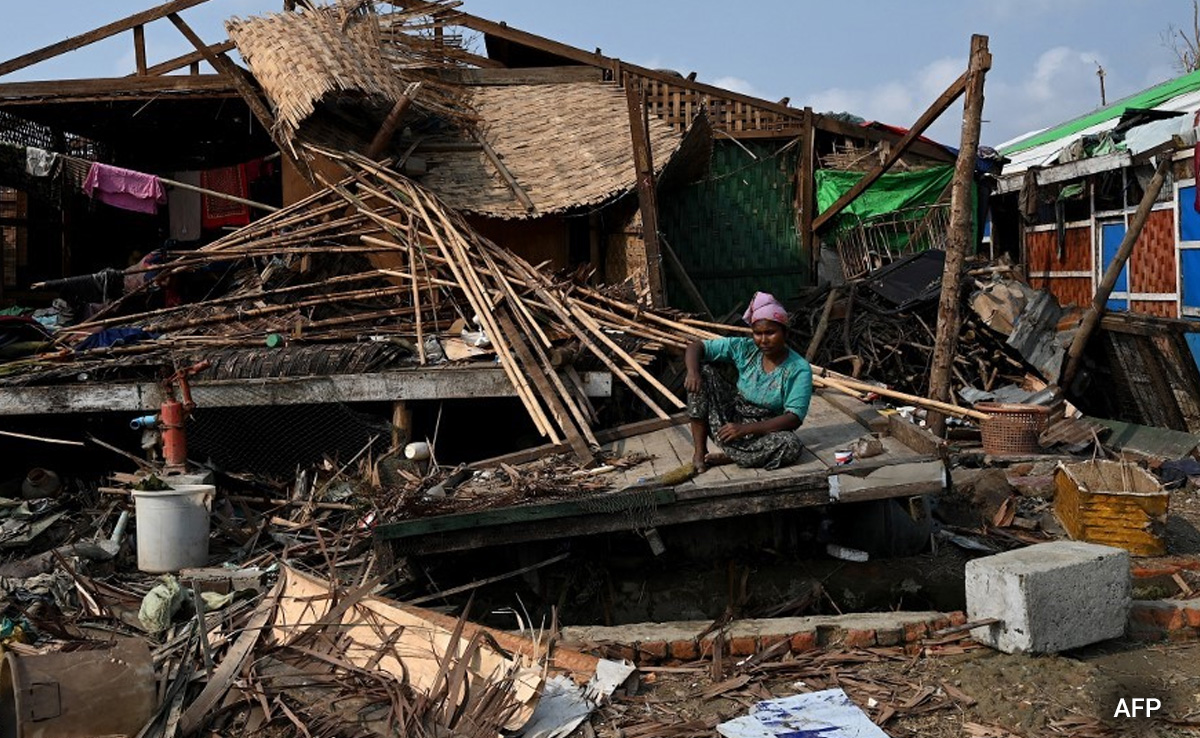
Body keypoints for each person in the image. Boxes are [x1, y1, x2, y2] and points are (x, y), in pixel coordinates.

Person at [684, 291, 813, 473]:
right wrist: (692, 372)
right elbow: (696, 346)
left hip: (764, 430)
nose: (763, 340)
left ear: (785, 332)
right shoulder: (745, 348)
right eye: (757, 333)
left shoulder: (799, 368)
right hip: (731, 420)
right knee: (703, 373)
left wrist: (745, 429)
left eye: (770, 333)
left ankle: (733, 455)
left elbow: (793, 419)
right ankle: (699, 452)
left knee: (790, 445)